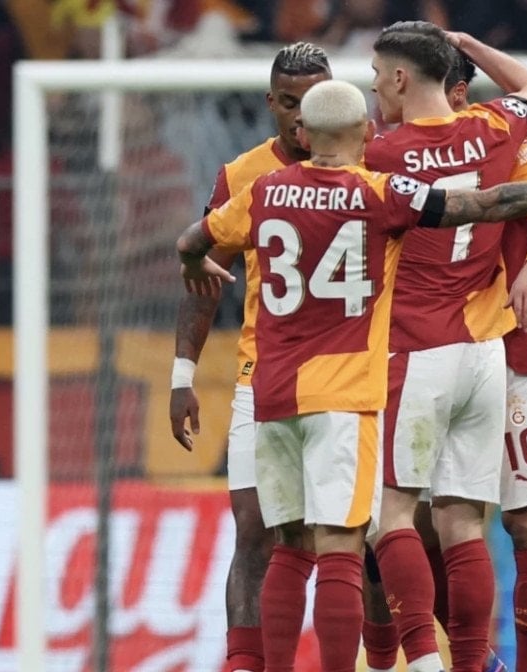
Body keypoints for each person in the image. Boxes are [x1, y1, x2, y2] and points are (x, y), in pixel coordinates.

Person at [177, 79, 527, 672]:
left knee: (289, 550)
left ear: (304, 135)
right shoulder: (378, 192)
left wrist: (194, 263)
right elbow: (483, 204)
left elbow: (192, 240)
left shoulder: (263, 190)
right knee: (345, 548)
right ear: (363, 133)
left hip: (271, 391)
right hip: (347, 392)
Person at [361, 21, 527, 672]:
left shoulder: (382, 155)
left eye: (376, 76)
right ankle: (471, 666)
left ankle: (421, 662)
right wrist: (468, 46)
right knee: (463, 523)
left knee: (389, 517)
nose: (372, 89)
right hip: (484, 353)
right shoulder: (494, 127)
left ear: (399, 78)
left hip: (415, 349)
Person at [167, 42, 330, 672]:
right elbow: (202, 276)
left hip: (357, 377)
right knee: (256, 532)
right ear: (270, 103)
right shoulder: (242, 175)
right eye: (288, 103)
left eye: (312, 102)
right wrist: (182, 374)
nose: (300, 117)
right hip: (262, 376)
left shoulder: (370, 162)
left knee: (362, 542)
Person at [437, 49, 527, 672]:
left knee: (526, 521)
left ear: (457, 94)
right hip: (430, 354)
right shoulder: (391, 150)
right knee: (411, 530)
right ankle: (476, 661)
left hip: (518, 352)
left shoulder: (507, 141)